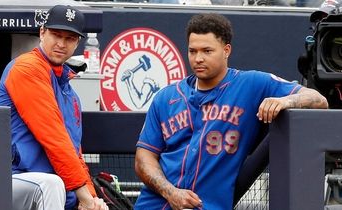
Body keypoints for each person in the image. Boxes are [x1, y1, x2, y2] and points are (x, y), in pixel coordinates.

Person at [134, 13, 328, 210]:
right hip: (152, 204)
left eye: (207, 51)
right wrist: (170, 192)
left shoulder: (251, 84)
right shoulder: (165, 98)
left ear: (226, 50)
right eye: (193, 51)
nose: (198, 58)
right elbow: (144, 158)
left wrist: (286, 100)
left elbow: (318, 100)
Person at [0, 5, 108, 210]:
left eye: (70, 38)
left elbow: (74, 153)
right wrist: (85, 197)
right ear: (42, 32)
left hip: (53, 191)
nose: (61, 43)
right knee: (50, 184)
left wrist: (91, 198)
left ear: (77, 42)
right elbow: (54, 139)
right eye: (56, 35)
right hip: (6, 181)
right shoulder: (27, 68)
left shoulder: (70, 95)